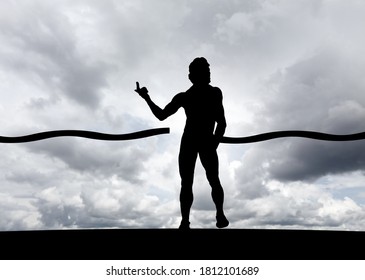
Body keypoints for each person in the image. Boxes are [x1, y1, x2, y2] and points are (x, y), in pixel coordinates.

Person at [135, 57, 229, 229]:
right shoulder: (185, 96)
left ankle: (220, 214)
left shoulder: (214, 93)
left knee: (213, 179)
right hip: (190, 142)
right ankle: (185, 221)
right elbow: (162, 115)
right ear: (193, 76)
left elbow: (222, 122)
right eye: (205, 71)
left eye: (209, 71)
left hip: (206, 140)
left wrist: (214, 142)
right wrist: (146, 98)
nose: (209, 74)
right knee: (187, 182)